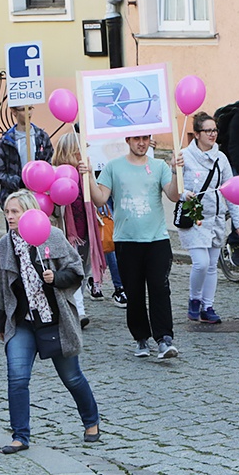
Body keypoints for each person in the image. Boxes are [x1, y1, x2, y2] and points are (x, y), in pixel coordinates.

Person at [0, 190, 100, 453]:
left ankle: (91, 421)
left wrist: (56, 279)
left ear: (29, 211)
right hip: (22, 322)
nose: (9, 217)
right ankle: (20, 436)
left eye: (14, 211)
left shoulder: (51, 236)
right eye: (7, 212)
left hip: (54, 320)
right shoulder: (5, 245)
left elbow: (76, 271)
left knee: (71, 377)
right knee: (17, 378)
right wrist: (1, 324)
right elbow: (1, 289)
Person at [82, 135, 184, 358]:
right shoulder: (113, 167)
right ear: (128, 140)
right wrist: (88, 175)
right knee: (134, 292)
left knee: (159, 287)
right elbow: (100, 199)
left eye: (145, 139)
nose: (142, 143)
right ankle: (140, 338)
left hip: (157, 238)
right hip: (127, 240)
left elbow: (174, 195)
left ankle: (164, 339)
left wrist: (176, 171)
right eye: (137, 139)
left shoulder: (158, 166)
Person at [180, 112, 239, 323]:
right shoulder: (184, 156)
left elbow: (230, 191)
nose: (212, 134)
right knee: (201, 263)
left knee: (212, 264)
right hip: (195, 218)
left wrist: (237, 222)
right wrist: (183, 193)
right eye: (208, 130)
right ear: (197, 134)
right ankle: (194, 299)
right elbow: (174, 187)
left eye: (214, 130)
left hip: (215, 218)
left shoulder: (221, 157)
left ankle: (208, 306)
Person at [51, 133, 106, 328]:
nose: (85, 153)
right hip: (66, 232)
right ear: (72, 151)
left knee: (83, 271)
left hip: (85, 231)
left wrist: (89, 174)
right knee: (69, 269)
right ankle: (77, 311)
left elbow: (99, 200)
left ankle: (75, 306)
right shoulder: (56, 172)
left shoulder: (84, 173)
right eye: (82, 149)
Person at [0, 105, 54, 209]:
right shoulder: (6, 141)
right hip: (15, 199)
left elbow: (49, 165)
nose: (28, 113)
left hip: (39, 198)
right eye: (23, 110)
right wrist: (20, 182)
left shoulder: (41, 137)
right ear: (14, 112)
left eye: (30, 108)